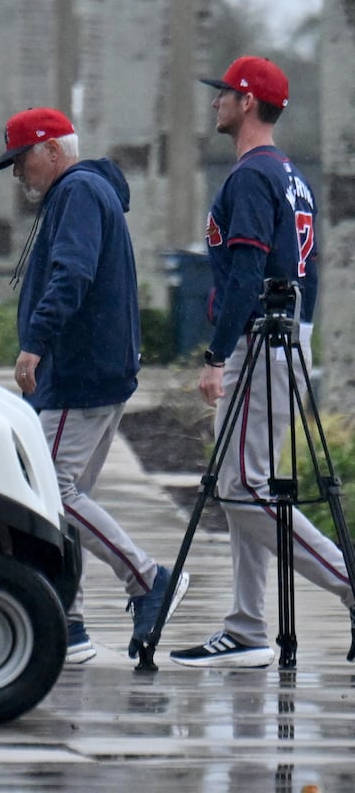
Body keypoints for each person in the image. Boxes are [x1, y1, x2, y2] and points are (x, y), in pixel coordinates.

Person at [170, 55, 354, 668]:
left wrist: (217, 355)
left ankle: (347, 584)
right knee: (245, 484)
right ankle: (247, 626)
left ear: (248, 102)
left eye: (223, 93)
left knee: (243, 488)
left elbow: (247, 273)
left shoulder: (251, 176)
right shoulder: (288, 174)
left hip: (261, 339)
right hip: (282, 334)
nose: (215, 101)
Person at [0, 106, 188, 664]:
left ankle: (147, 579)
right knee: (68, 498)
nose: (18, 174)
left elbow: (72, 273)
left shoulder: (77, 192)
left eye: (22, 160)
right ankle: (70, 623)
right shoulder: (85, 191)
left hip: (77, 373)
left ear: (52, 150)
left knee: (51, 492)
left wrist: (35, 343)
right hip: (98, 371)